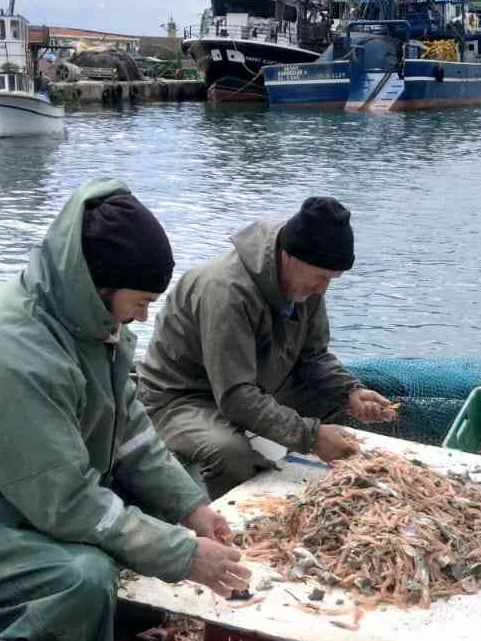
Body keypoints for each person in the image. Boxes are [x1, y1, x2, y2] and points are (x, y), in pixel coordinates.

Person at [0, 178, 250, 641]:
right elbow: (70, 506)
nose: (145, 316)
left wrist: (192, 509)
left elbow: (132, 436)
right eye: (141, 302)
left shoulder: (91, 328)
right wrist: (185, 556)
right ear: (98, 285)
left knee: (153, 515)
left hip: (16, 501)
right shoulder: (11, 357)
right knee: (84, 574)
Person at [138, 196, 396, 500]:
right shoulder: (226, 291)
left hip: (253, 384)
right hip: (182, 397)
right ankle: (239, 526)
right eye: (321, 277)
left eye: (331, 280)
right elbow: (236, 398)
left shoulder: (305, 284)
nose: (322, 289)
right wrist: (311, 437)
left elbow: (312, 357)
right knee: (230, 452)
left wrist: (349, 392)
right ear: (289, 257)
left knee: (333, 404)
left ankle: (331, 490)